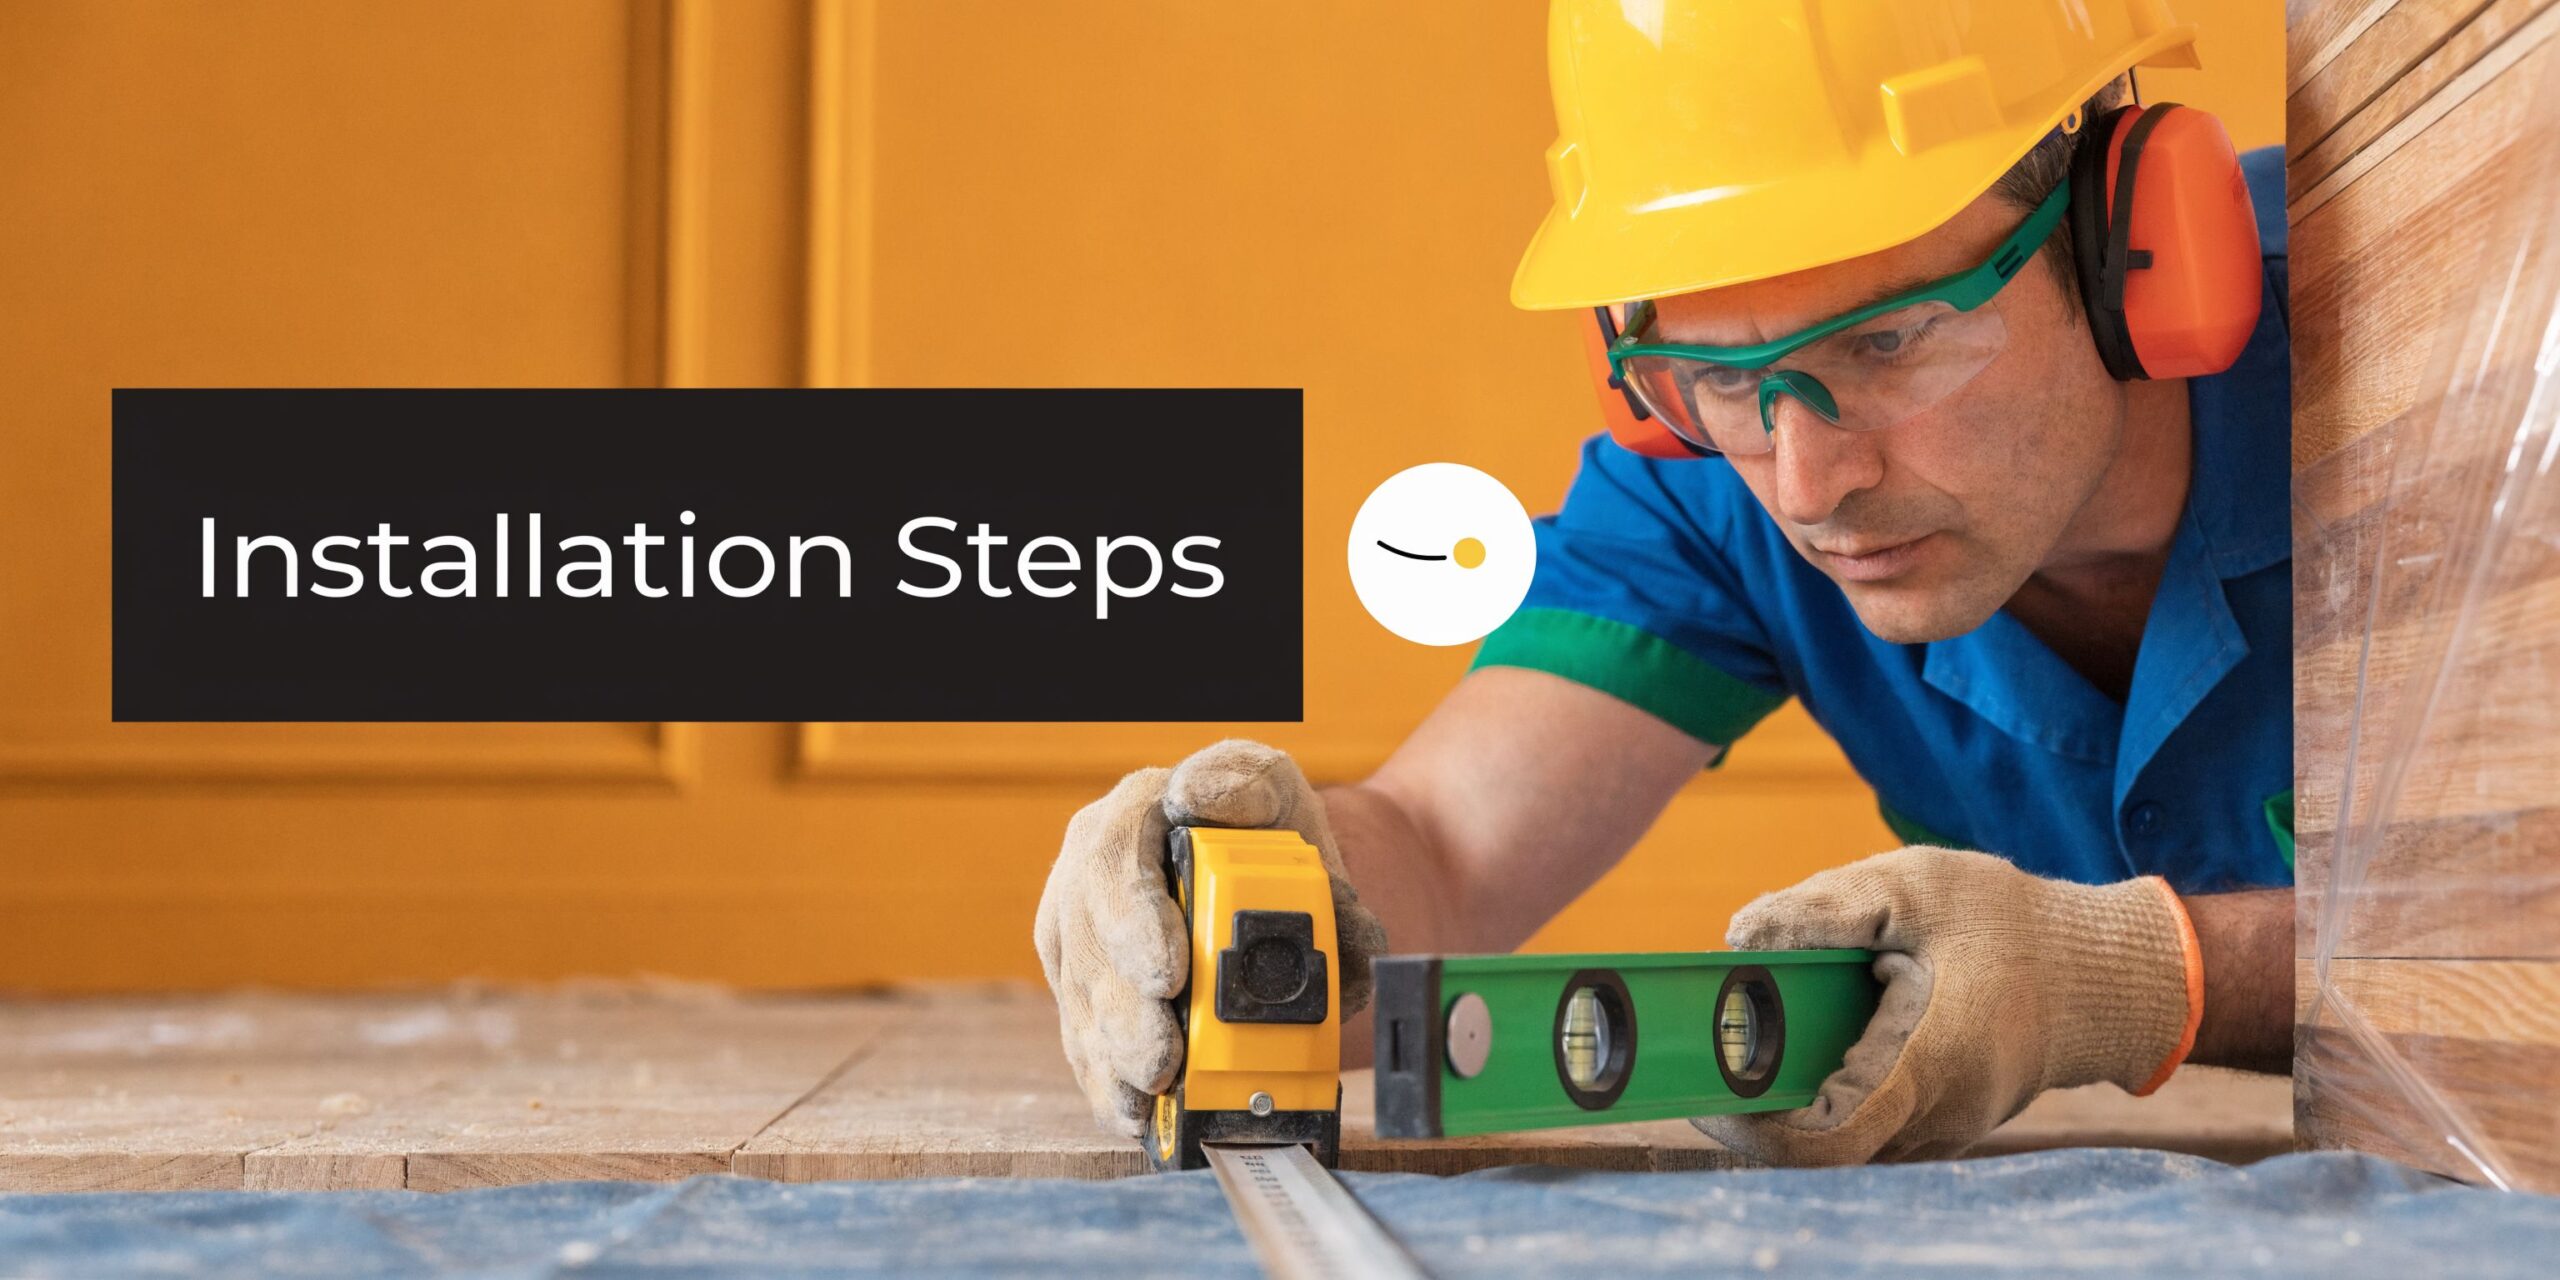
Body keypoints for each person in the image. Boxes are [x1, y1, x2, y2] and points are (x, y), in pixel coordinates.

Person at [1036, 0, 2294, 1165]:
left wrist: (2142, 974)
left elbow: (2503, 922)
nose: (1805, 485)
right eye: (1722, 374)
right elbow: (1443, 850)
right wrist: (1246, 899)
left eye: (1890, 339)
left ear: (2135, 237)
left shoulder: (2439, 340)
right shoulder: (1705, 489)